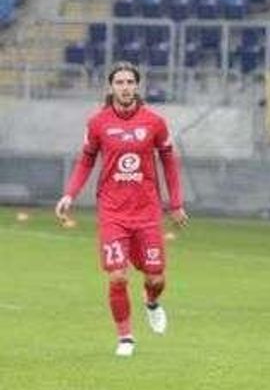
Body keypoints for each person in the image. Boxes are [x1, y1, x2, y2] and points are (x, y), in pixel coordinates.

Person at [55, 61, 188, 358]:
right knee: (117, 276)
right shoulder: (98, 123)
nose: (125, 87)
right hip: (113, 211)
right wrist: (69, 194)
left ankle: (151, 302)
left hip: (147, 212)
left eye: (130, 82)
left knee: (156, 277)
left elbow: (169, 162)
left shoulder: (154, 122)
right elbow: (86, 161)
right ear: (111, 87)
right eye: (120, 82)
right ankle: (125, 338)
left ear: (137, 86)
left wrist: (175, 203)